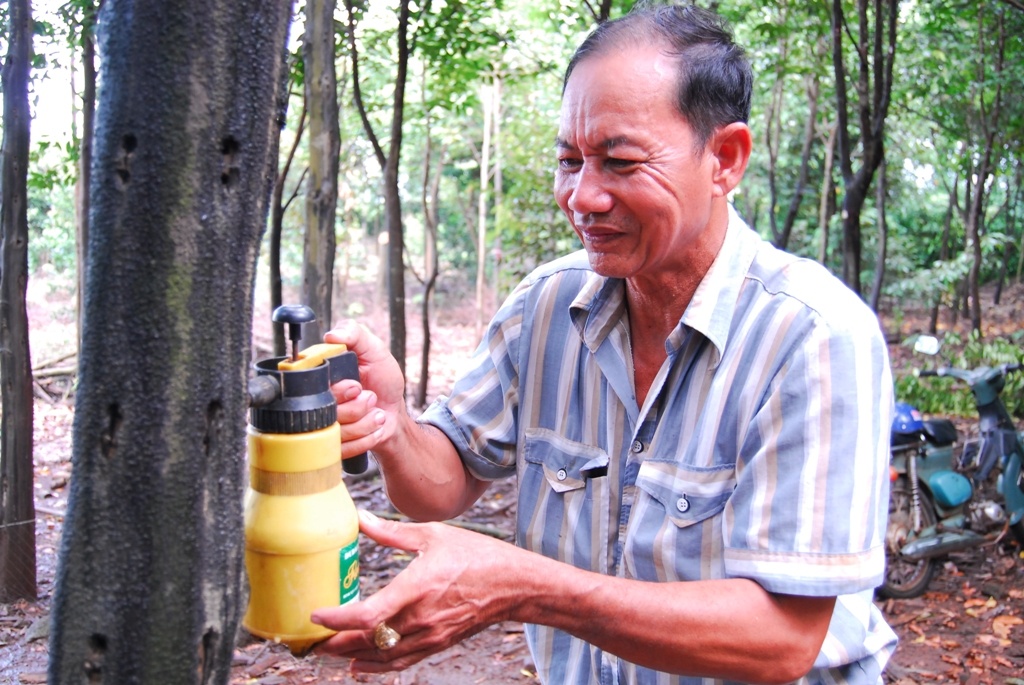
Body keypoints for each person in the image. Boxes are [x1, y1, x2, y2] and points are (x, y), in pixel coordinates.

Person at [312, 4, 897, 683]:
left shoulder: (812, 336)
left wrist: (526, 587)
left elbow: (781, 639)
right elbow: (441, 485)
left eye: (620, 162)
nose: (582, 196)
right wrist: (394, 425)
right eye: (570, 160)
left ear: (725, 159)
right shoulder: (547, 306)